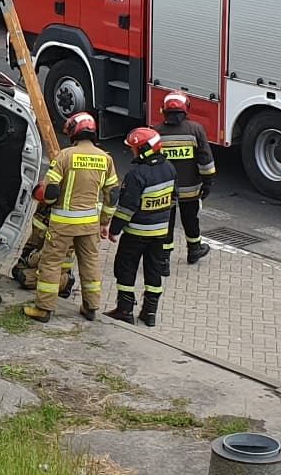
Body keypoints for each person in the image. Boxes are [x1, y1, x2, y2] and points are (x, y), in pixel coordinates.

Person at [25, 112, 112, 322]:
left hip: (63, 224)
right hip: (90, 225)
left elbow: (51, 191)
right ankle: (90, 307)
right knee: (90, 263)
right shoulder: (106, 159)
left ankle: (44, 309)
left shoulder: (65, 156)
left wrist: (45, 200)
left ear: (73, 131)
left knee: (51, 263)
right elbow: (112, 195)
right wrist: (104, 222)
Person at [105, 127, 177, 326]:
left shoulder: (136, 174)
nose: (131, 151)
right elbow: (173, 199)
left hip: (136, 234)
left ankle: (125, 310)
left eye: (134, 148)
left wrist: (114, 230)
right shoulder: (170, 168)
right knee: (153, 271)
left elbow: (127, 207)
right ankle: (149, 313)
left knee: (125, 268)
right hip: (160, 233)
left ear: (143, 149)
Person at [155, 92, 218, 264]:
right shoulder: (195, 129)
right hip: (191, 190)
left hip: (165, 192)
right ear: (185, 109)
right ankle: (194, 251)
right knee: (191, 220)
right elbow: (205, 160)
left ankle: (163, 258)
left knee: (166, 224)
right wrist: (208, 183)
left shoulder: (156, 132)